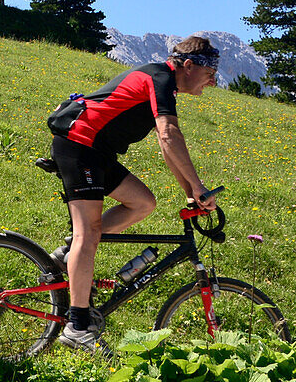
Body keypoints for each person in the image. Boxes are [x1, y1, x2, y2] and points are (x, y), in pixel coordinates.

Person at [47, 36, 220, 351]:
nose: (213, 81)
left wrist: (191, 192)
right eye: (210, 73)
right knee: (89, 232)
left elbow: (165, 144)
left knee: (143, 202)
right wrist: (198, 186)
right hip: (79, 145)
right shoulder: (161, 77)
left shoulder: (164, 82)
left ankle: (69, 254)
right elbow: (168, 134)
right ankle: (77, 325)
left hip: (96, 152)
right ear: (190, 65)